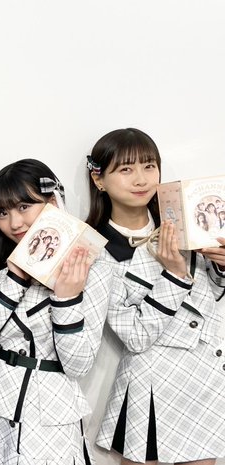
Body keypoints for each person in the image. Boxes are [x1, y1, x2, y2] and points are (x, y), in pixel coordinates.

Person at [86, 128, 225, 464]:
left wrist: (222, 267)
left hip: (206, 375)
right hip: (153, 380)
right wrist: (174, 275)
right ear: (99, 179)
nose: (141, 179)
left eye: (149, 166)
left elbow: (211, 299)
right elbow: (135, 335)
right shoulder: (94, 248)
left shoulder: (184, 220)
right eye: (126, 169)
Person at [0, 158, 110, 465]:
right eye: (2, 212)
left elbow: (78, 364)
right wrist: (16, 276)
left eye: (24, 206)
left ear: (53, 202)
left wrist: (66, 300)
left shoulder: (93, 264)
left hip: (50, 413)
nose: (14, 223)